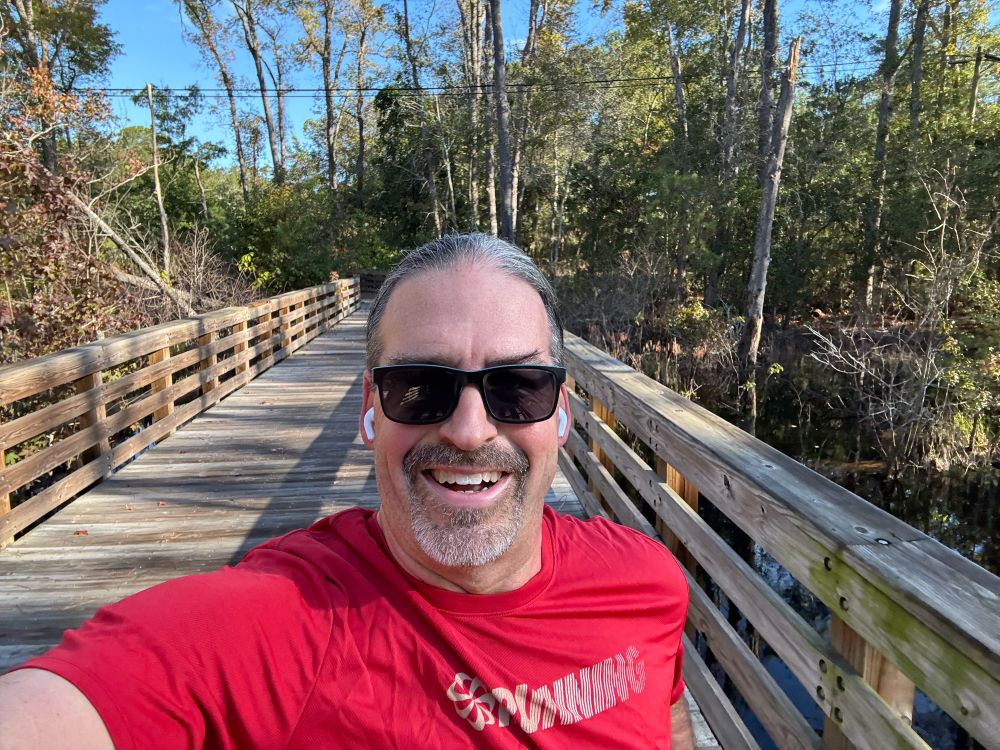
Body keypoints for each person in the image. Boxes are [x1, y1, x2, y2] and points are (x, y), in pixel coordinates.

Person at [0, 234, 693, 749]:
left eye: (518, 386)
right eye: (420, 387)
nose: (469, 428)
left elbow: (664, 715)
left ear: (561, 411)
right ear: (370, 407)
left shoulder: (645, 580)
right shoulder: (283, 624)